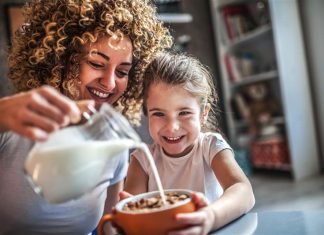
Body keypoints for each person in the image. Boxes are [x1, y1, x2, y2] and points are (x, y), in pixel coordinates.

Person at [0, 0, 172, 234]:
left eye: (122, 72)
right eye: (96, 63)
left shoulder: (113, 142)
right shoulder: (14, 124)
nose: (110, 83)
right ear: (61, 59)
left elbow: (107, 227)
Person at [124, 51, 255, 235]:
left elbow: (243, 191)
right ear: (147, 114)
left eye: (184, 113)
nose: (172, 128)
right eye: (159, 114)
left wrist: (210, 217)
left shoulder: (210, 147)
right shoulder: (141, 161)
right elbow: (134, 214)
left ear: (204, 113)